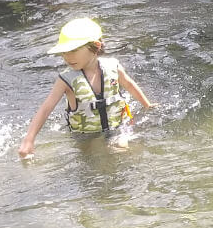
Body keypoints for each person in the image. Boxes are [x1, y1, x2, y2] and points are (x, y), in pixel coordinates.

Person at [18, 18, 153, 157]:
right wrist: (29, 139)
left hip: (117, 127)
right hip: (85, 136)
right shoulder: (66, 80)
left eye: (73, 50)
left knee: (120, 148)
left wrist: (147, 105)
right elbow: (46, 109)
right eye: (64, 52)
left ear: (96, 46)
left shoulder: (113, 67)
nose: (67, 57)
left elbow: (130, 85)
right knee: (95, 158)